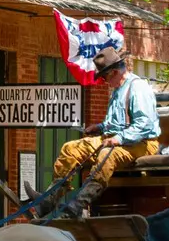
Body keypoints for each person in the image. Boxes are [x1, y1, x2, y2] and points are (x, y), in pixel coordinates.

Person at [51, 46, 161, 217]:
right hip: (115, 138)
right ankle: (50, 199)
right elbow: (116, 122)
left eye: (104, 77)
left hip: (142, 143)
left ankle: (78, 205)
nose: (104, 81)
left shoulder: (138, 88)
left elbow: (144, 124)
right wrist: (100, 127)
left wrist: (119, 138)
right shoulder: (118, 90)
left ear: (115, 72)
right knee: (70, 149)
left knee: (106, 156)